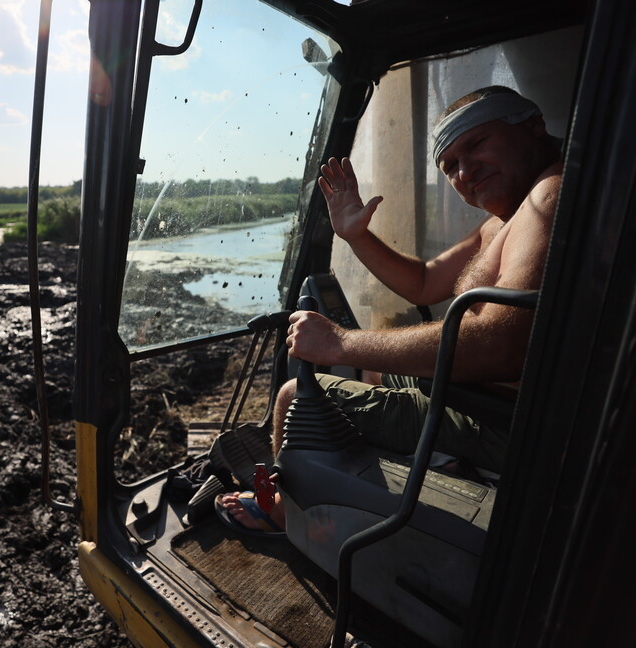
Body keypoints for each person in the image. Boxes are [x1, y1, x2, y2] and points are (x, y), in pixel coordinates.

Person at [215, 86, 564, 535]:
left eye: (477, 144)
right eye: (450, 165)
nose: (464, 171)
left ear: (532, 126)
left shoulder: (548, 197)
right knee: (374, 373)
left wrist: (340, 343)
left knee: (291, 397)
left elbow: (499, 345)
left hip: (503, 420)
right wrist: (355, 235)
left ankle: (283, 513)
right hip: (472, 392)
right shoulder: (506, 218)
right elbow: (424, 281)